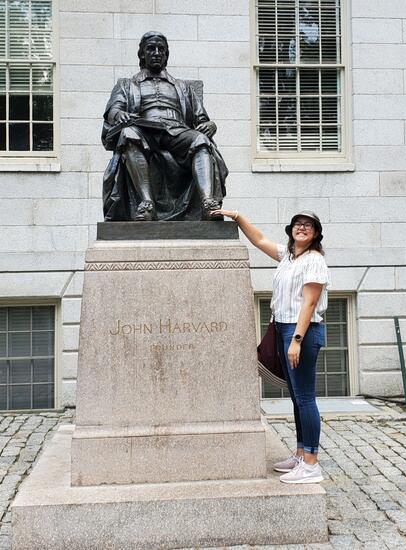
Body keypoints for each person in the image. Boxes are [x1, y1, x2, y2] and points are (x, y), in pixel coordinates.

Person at [212, 208, 330, 484]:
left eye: (308, 226)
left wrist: (296, 340)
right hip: (282, 328)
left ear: (315, 234)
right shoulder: (289, 257)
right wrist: (238, 217)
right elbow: (260, 240)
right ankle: (301, 454)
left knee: (305, 398)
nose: (302, 228)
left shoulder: (314, 260)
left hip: (302, 330)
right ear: (291, 230)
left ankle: (311, 463)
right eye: (297, 224)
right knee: (296, 398)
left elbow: (310, 303)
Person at [101, 31, 227, 222]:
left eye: (162, 49)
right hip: (144, 131)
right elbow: (113, 109)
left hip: (176, 131)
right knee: (127, 134)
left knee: (201, 139)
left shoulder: (183, 87)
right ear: (142, 54)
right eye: (151, 48)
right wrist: (119, 114)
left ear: (166, 55)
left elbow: (202, 119)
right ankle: (146, 204)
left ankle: (208, 204)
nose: (157, 53)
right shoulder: (127, 84)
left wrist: (211, 125)